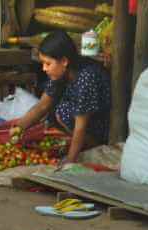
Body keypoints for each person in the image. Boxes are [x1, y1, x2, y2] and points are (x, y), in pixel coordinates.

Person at [7, 31, 111, 167]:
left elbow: (80, 126)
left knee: (62, 111)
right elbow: (42, 106)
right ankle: (79, 145)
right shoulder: (58, 74)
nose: (44, 68)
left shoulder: (87, 77)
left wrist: (70, 160)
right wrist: (19, 127)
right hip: (82, 118)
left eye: (48, 63)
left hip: (101, 125)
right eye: (43, 63)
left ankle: (92, 145)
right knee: (51, 112)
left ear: (64, 61)